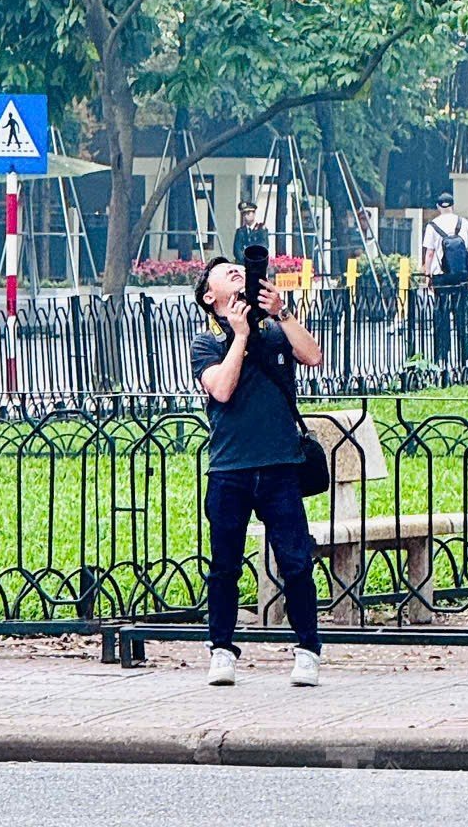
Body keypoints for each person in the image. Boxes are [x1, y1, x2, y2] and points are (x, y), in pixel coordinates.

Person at [191, 251, 325, 688]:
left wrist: (281, 313)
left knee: (296, 560)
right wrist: (240, 335)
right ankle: (222, 650)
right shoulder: (206, 341)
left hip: (281, 464)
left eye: (240, 271)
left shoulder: (273, 329)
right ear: (211, 296)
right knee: (224, 565)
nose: (237, 274)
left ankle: (308, 649)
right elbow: (222, 389)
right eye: (226, 274)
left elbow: (313, 356)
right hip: (230, 468)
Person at [421, 191, 468, 369]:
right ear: (452, 206)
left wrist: (427, 275)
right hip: (460, 275)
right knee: (462, 315)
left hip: (441, 277)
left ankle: (442, 355)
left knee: (441, 315)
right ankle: (465, 356)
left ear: (438, 207)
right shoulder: (463, 223)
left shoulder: (432, 226)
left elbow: (429, 253)